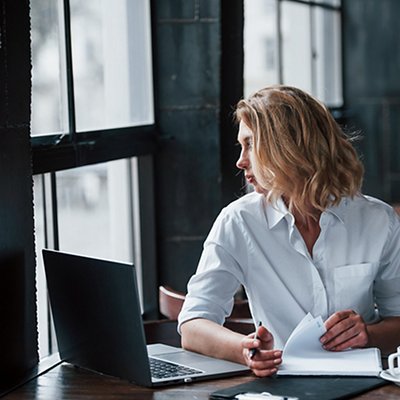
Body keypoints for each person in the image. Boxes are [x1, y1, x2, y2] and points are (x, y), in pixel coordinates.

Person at [178, 85, 400, 377]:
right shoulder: (239, 222)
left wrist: (368, 335)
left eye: (250, 145)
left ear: (287, 147)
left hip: (365, 384)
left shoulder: (378, 220)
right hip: (278, 385)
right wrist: (244, 349)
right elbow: (193, 326)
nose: (240, 160)